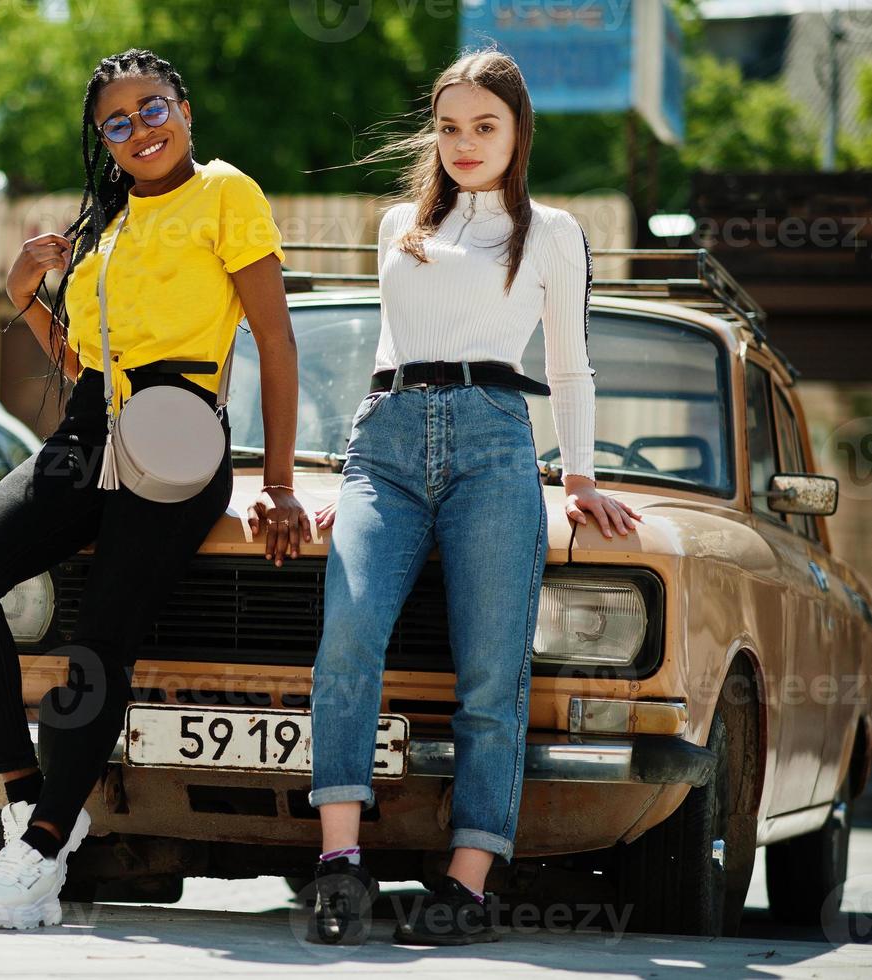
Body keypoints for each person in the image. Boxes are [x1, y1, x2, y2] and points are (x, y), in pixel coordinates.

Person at [0, 47, 310, 930]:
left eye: (152, 109)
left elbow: (275, 341)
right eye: (116, 120)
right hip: (89, 430)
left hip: (177, 439)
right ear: (100, 139)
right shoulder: (101, 221)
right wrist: (27, 298)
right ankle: (29, 804)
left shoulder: (226, 194)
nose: (138, 128)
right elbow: (83, 366)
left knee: (99, 638)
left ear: (183, 110)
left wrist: (282, 482)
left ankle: (36, 859)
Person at [304, 49, 643, 946]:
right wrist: (348, 469)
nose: (463, 142)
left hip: (496, 442)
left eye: (483, 126)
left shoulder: (553, 232)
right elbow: (381, 350)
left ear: (516, 133)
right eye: (449, 126)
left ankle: (467, 882)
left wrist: (579, 478)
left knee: (492, 671)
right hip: (385, 446)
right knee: (348, 636)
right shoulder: (396, 227)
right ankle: (339, 867)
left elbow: (568, 362)